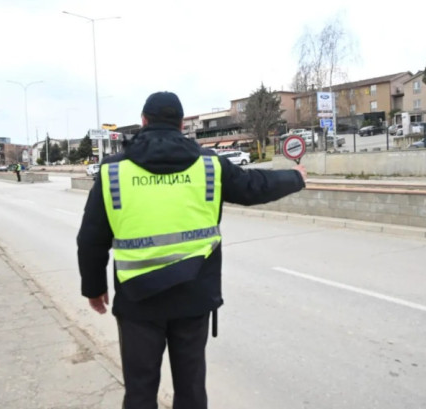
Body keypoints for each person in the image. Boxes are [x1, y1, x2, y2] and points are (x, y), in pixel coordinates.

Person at [76, 91, 307, 409]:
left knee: (140, 392)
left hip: (137, 301)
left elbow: (90, 239)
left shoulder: (113, 171)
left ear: (144, 121)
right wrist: (295, 177)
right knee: (191, 389)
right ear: (182, 124)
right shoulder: (209, 165)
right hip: (194, 297)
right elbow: (254, 186)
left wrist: (94, 288)